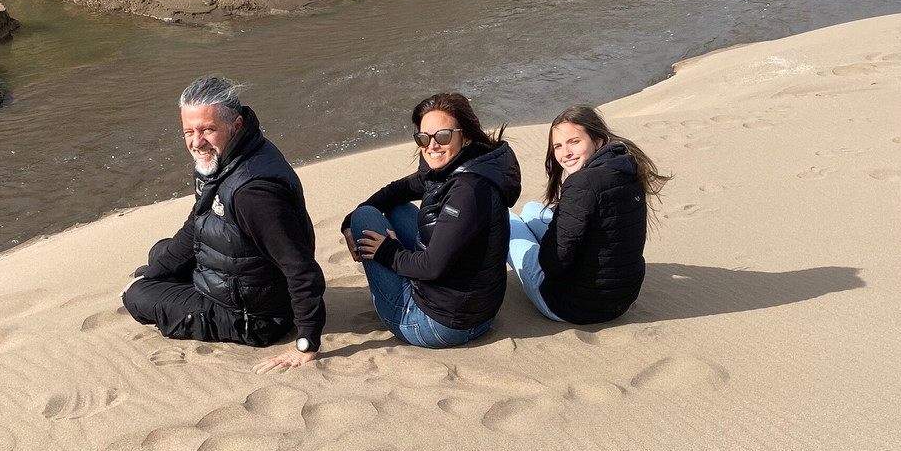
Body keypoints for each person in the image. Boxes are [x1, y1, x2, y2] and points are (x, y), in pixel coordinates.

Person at [122, 77, 326, 374]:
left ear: (236, 125)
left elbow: (302, 268)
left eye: (207, 130)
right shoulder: (225, 157)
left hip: (254, 316)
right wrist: (154, 272)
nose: (196, 142)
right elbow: (197, 223)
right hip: (239, 274)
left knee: (136, 296)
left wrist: (305, 343)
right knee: (158, 255)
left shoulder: (253, 193)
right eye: (189, 132)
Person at [341, 93, 521, 348]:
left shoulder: (467, 190)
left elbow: (431, 267)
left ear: (465, 136)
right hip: (474, 310)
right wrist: (347, 222)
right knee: (396, 208)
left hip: (438, 325)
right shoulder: (465, 167)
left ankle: (399, 296)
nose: (432, 145)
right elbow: (398, 190)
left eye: (443, 136)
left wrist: (388, 252)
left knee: (365, 217)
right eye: (423, 138)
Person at [507, 105, 671, 324]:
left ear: (598, 141)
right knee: (530, 210)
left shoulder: (582, 183)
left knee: (508, 221)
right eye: (558, 146)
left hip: (572, 306)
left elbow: (553, 264)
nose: (565, 153)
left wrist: (544, 246)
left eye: (574, 142)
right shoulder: (627, 169)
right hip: (621, 301)